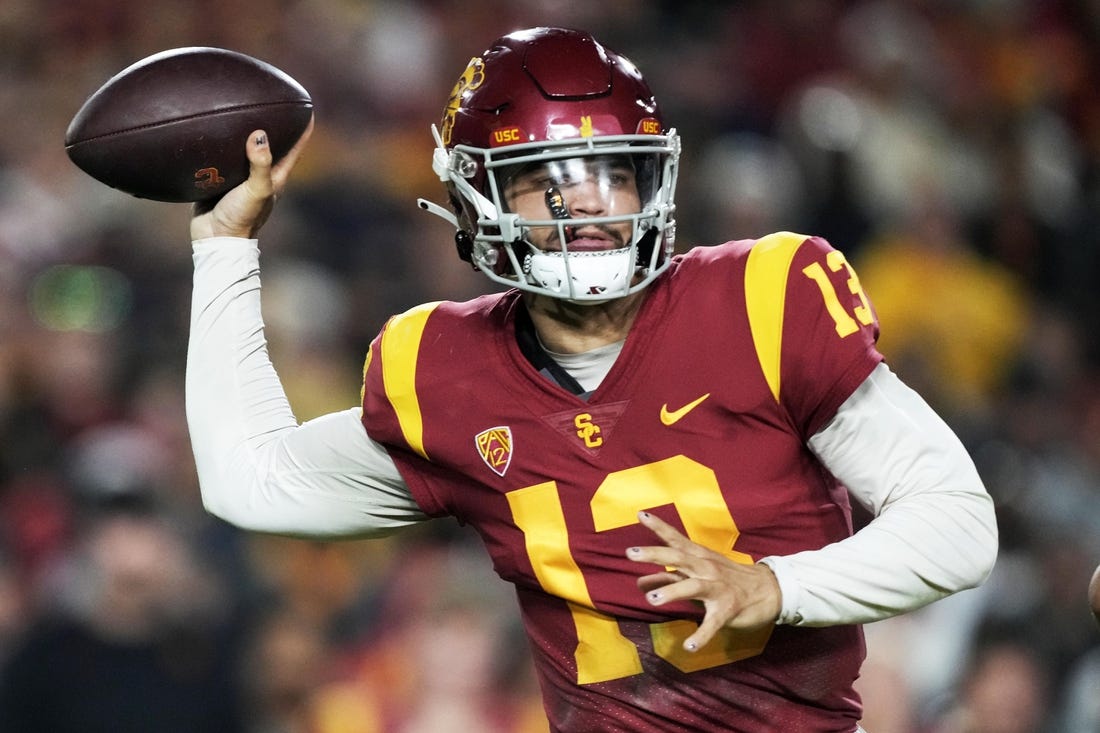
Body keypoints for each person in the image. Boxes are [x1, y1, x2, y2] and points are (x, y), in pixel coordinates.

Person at [185, 27, 998, 732]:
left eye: (615, 174)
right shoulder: (440, 370)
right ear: (477, 197)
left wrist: (773, 583)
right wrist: (224, 247)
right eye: (551, 183)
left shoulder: (764, 300)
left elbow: (958, 523)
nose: (594, 207)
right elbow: (248, 482)